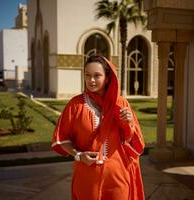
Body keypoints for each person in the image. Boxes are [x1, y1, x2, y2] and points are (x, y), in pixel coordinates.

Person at [51, 55, 145, 200]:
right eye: (87, 75)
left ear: (107, 78)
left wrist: (128, 123)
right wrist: (78, 155)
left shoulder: (121, 104)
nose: (91, 80)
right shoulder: (75, 105)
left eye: (97, 75)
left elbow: (133, 143)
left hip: (118, 177)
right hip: (87, 178)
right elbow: (62, 139)